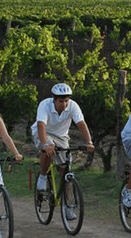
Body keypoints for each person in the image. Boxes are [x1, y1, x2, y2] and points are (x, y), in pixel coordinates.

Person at [31, 82, 95, 220]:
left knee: (66, 172)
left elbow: (81, 124)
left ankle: (67, 206)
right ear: (54, 99)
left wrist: (88, 142)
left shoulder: (73, 106)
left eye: (66, 101)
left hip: (61, 136)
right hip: (42, 132)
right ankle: (42, 176)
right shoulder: (45, 105)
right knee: (48, 149)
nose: (64, 104)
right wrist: (45, 144)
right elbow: (41, 125)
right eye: (61, 101)